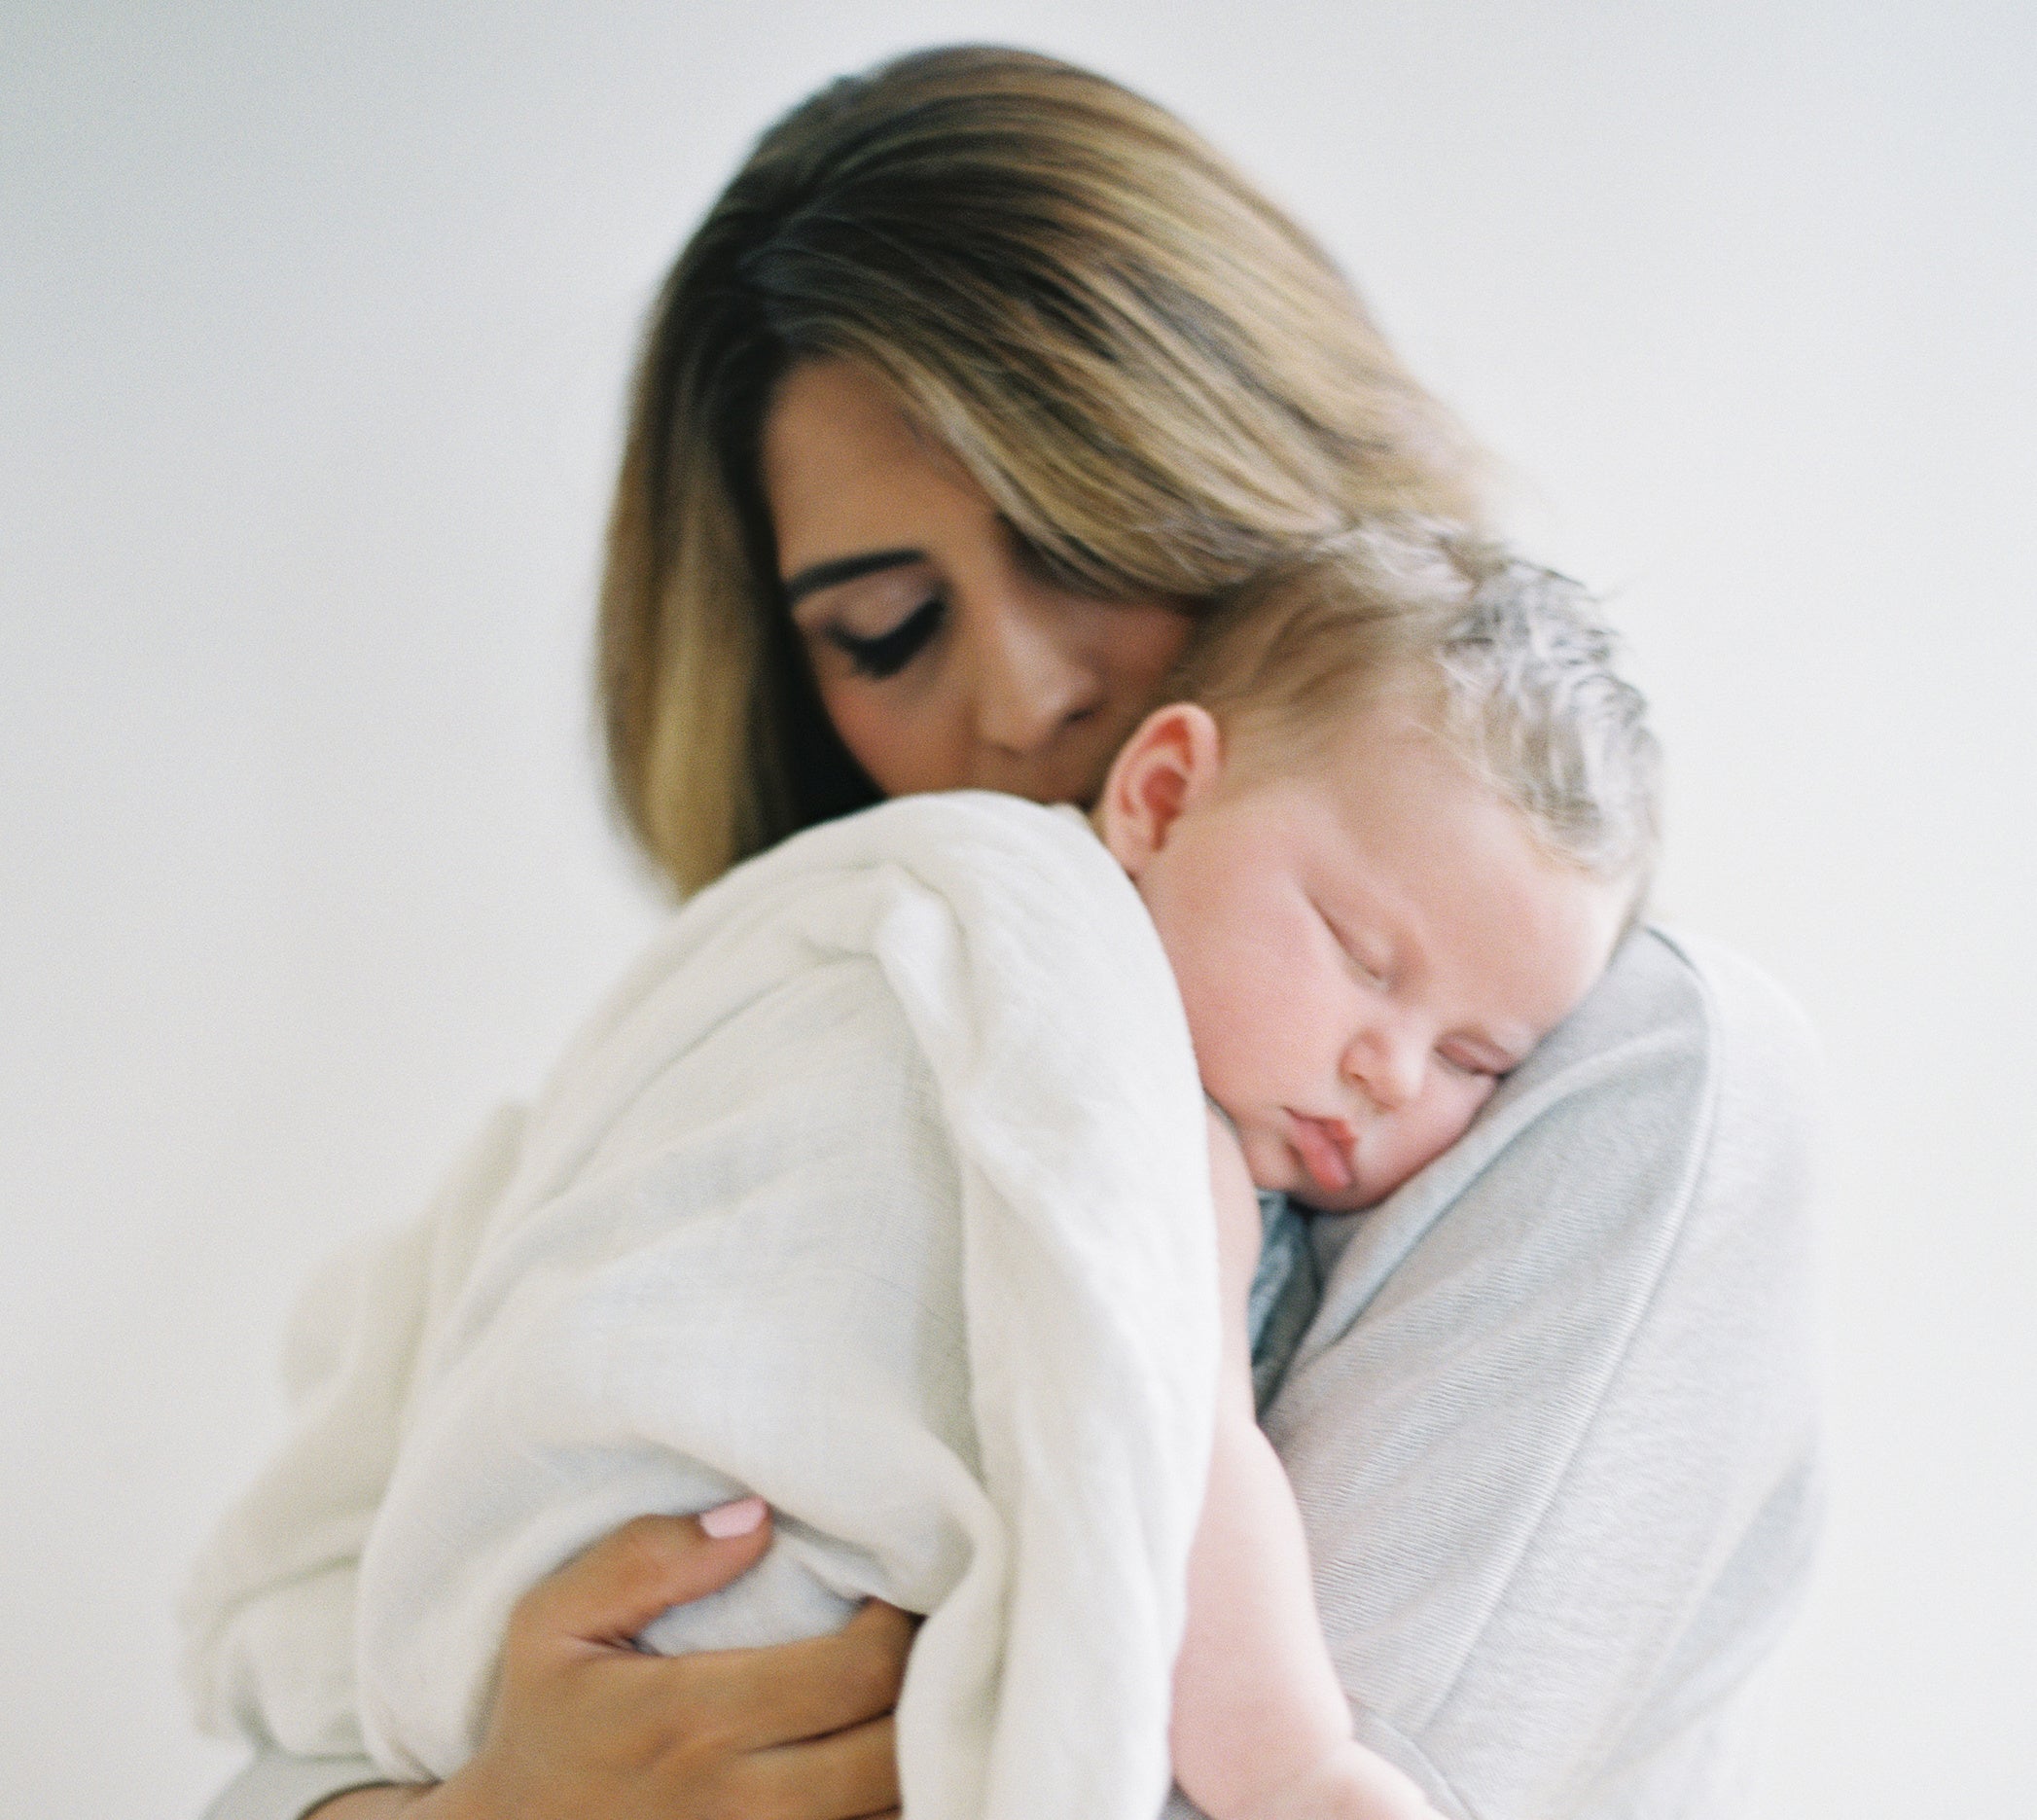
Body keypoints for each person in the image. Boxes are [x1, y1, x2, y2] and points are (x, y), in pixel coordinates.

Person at [189, 45, 1821, 1820]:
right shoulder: (750, 1054)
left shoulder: (1620, 1077)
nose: (1029, 696)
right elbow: (286, 1704)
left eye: (1088, 543)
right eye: (889, 629)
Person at [190, 527, 1651, 1820]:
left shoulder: (1651, 1085)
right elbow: (1179, 1452)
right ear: (1158, 795)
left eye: (1476, 1058)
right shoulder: (1105, 1053)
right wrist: (1290, 1775)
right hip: (706, 1659)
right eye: (1355, 950)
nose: (1390, 1071)